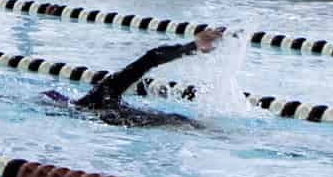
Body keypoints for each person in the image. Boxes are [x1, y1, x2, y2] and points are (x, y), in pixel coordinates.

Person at [46, 26, 227, 128]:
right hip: (173, 124)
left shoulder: (99, 98)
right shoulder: (103, 93)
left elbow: (150, 59)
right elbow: (151, 58)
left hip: (170, 125)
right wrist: (194, 46)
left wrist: (194, 46)